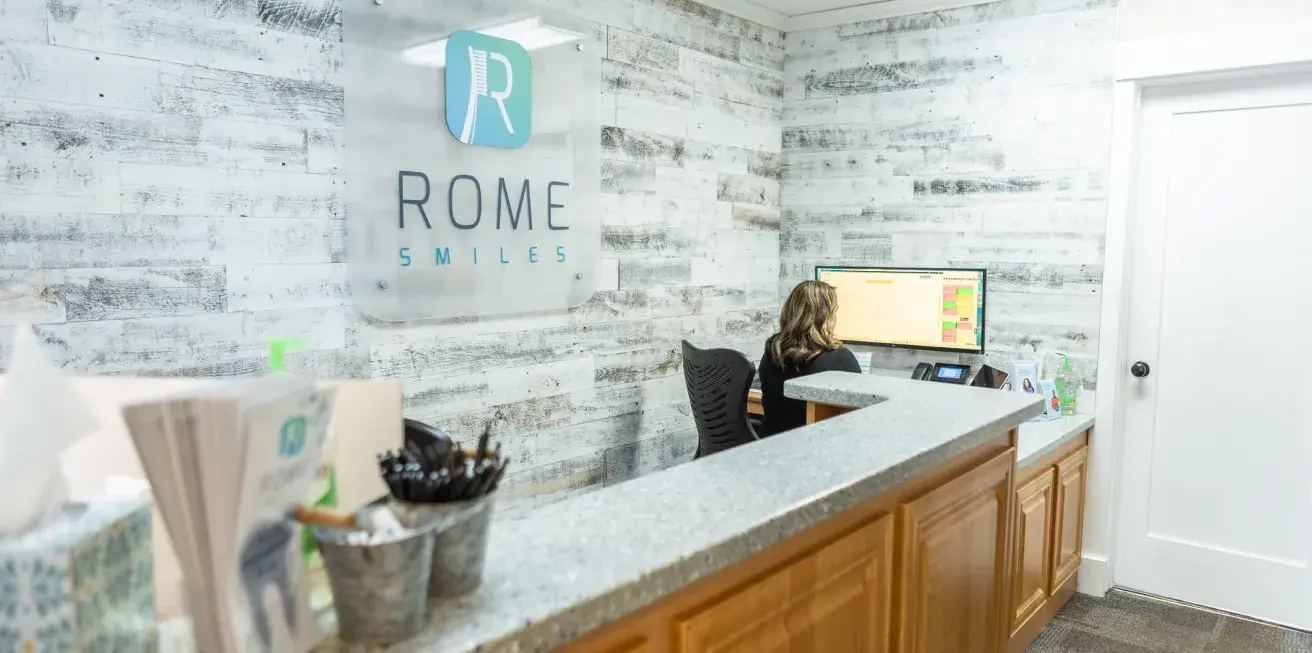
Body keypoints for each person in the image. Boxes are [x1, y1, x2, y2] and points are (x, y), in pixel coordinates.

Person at [757, 280, 862, 437]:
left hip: (772, 448)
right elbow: (860, 413)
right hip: (816, 451)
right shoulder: (841, 359)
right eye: (834, 312)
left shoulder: (772, 351)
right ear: (825, 317)